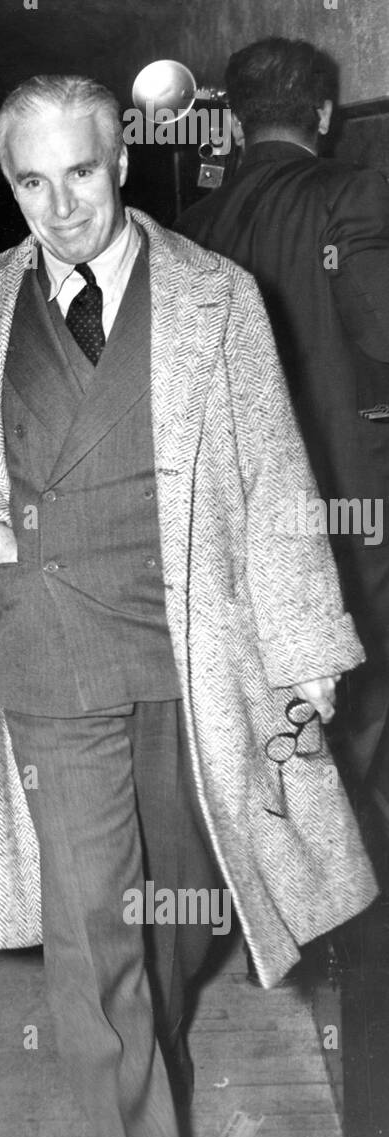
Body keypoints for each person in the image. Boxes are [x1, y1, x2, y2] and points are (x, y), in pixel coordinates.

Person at [0, 75, 376, 1137]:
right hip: (50, 661)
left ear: (120, 161)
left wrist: (305, 661)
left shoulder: (217, 298)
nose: (58, 206)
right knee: (92, 942)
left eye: (79, 172)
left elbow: (277, 483)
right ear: (3, 183)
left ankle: (157, 1048)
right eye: (28, 180)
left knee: (187, 918)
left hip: (192, 660)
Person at [176, 36, 389, 823]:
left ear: (233, 122)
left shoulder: (192, 225)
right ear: (325, 114)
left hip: (244, 506)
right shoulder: (352, 191)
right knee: (359, 680)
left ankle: (298, 856)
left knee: (286, 684)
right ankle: (352, 871)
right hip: (352, 493)